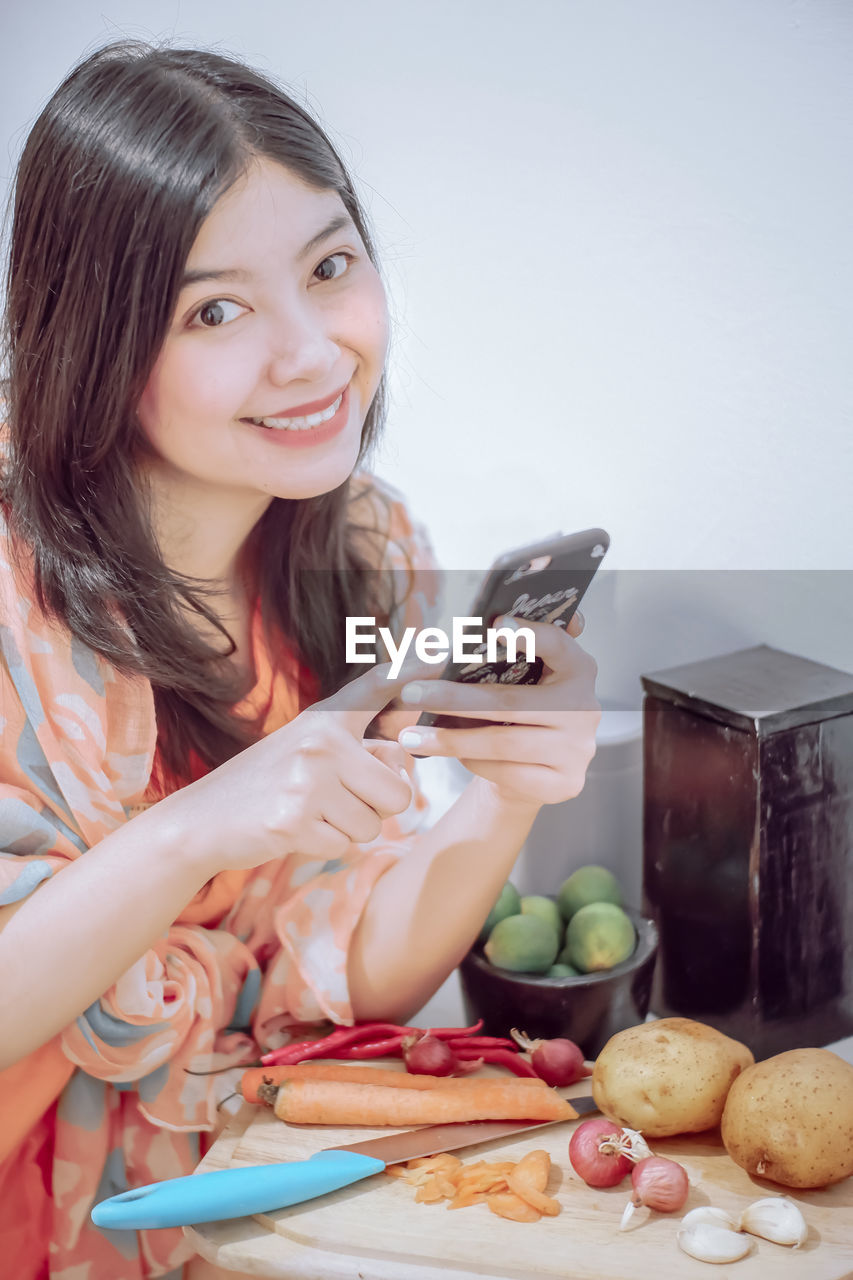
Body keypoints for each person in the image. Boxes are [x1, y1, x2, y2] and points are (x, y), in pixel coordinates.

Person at [0, 40, 600, 1279]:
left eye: (329, 266)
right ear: (96, 341)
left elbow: (352, 973)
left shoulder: (367, 553)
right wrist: (190, 830)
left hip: (215, 1205)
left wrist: (507, 792)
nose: (314, 353)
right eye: (213, 309)